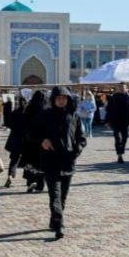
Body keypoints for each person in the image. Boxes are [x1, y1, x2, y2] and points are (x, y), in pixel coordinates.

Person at [41, 86, 87, 239]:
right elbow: (31, 133)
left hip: (68, 162)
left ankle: (54, 219)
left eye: (64, 98)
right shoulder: (45, 115)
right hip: (51, 161)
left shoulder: (74, 116)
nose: (61, 100)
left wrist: (76, 151)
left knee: (63, 196)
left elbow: (81, 138)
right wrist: (43, 140)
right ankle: (59, 224)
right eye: (59, 98)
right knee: (55, 194)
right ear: (53, 99)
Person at [22, 89, 49, 192]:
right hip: (42, 140)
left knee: (30, 162)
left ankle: (30, 182)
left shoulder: (29, 108)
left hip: (29, 140)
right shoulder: (46, 110)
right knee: (41, 163)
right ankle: (40, 185)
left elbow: (24, 123)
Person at [105, 83, 129, 163]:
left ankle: (121, 151)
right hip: (115, 121)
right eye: (120, 88)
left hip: (126, 121)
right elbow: (108, 110)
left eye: (123, 88)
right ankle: (119, 154)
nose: (122, 89)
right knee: (117, 138)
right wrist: (107, 121)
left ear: (126, 89)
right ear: (118, 89)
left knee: (124, 138)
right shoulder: (113, 97)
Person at [3, 97, 27, 188]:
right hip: (26, 140)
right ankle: (30, 180)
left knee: (14, 160)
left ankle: (10, 176)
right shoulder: (27, 113)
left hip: (15, 139)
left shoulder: (14, 113)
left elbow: (9, 124)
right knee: (29, 160)